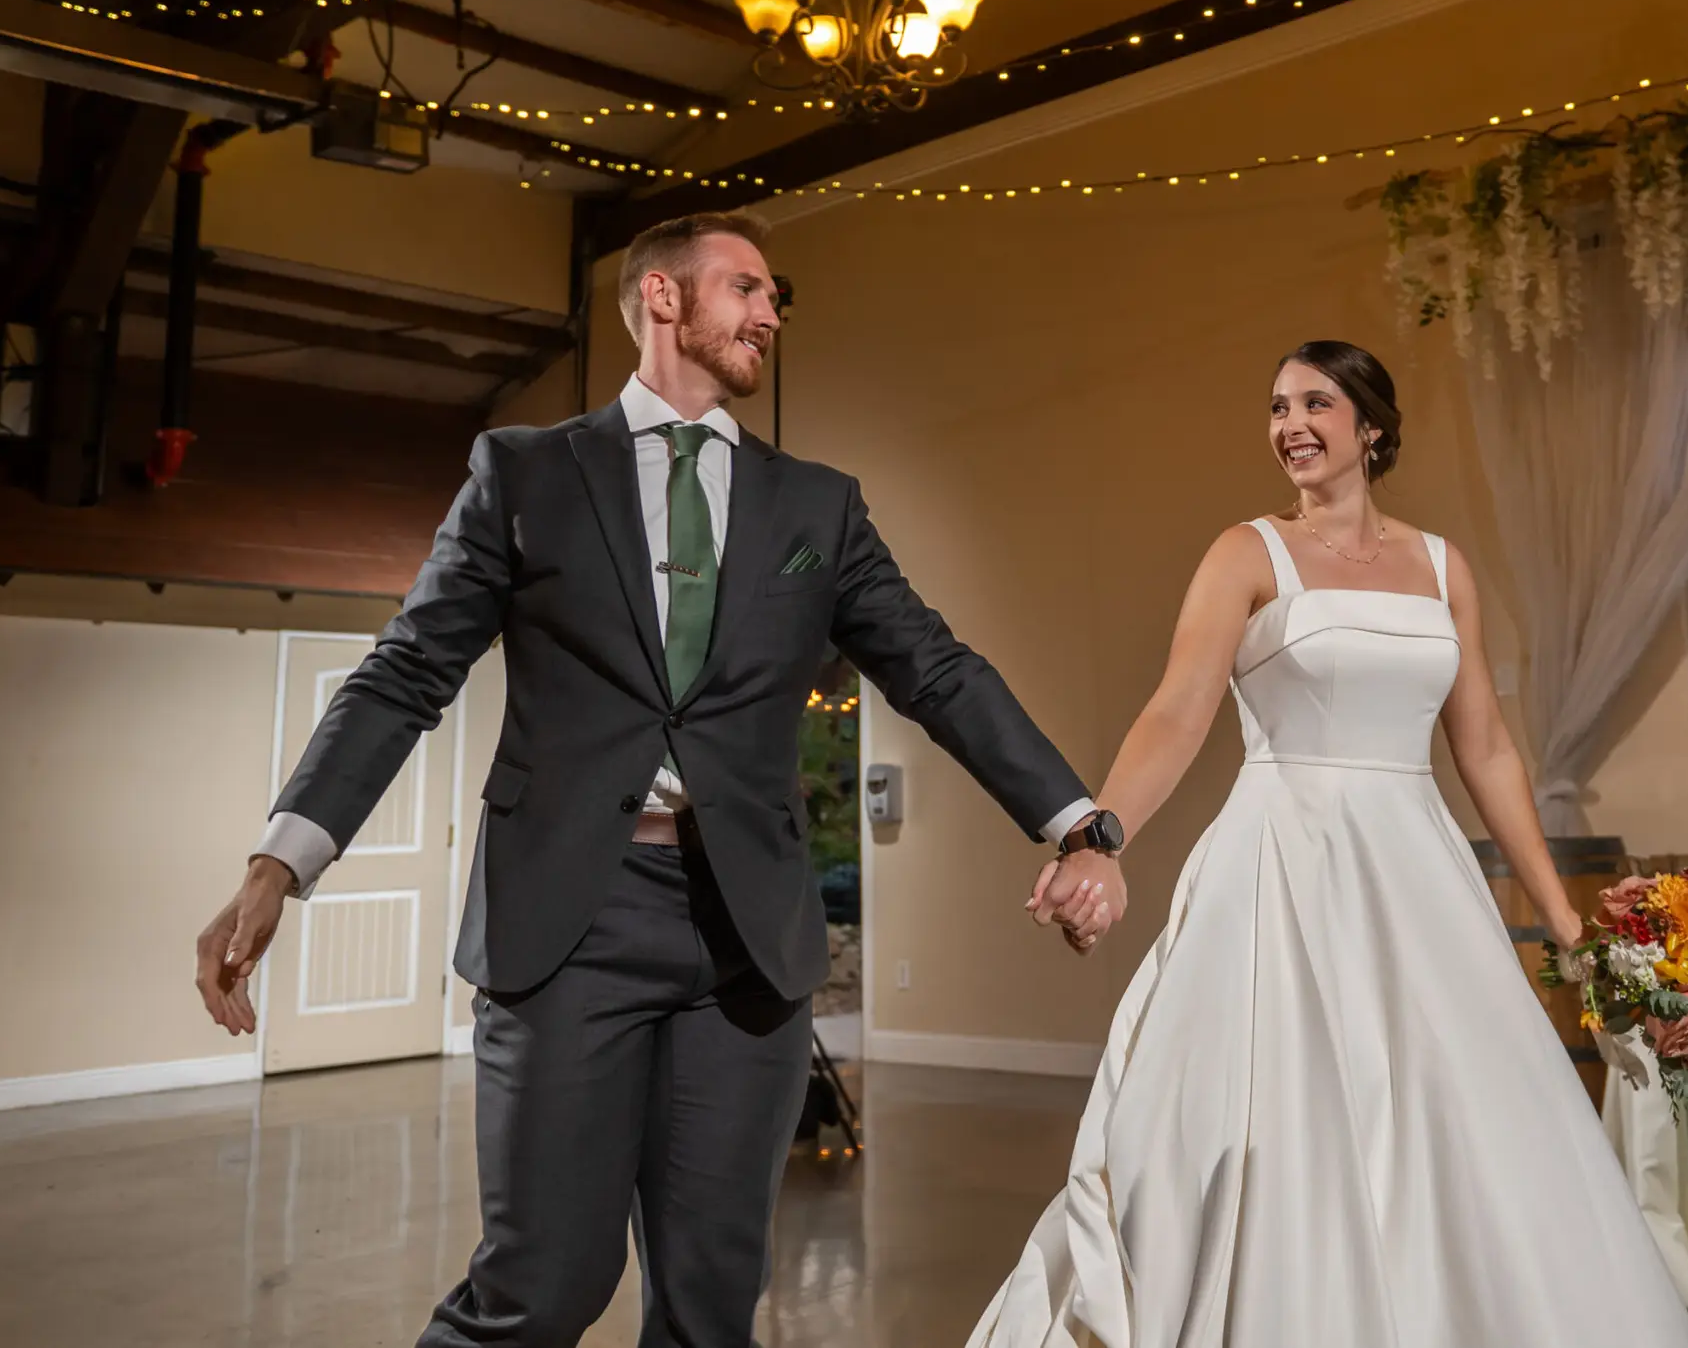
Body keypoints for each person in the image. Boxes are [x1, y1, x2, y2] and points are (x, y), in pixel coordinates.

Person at [193, 211, 1117, 1348]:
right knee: (538, 1289)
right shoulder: (525, 471)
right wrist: (283, 855)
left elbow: (934, 666)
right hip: (567, 924)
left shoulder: (816, 504)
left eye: (776, 295)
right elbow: (406, 672)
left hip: (748, 939)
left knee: (711, 1301)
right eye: (747, 287)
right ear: (664, 300)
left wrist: (1074, 819)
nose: (771, 312)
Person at [972, 341, 1688, 1347]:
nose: (1290, 424)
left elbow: (1484, 744)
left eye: (1317, 402)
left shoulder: (1444, 564)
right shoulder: (1243, 552)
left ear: (1372, 427)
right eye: (1276, 405)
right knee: (1273, 1120)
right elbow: (1177, 711)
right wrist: (1100, 838)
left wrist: (1564, 916)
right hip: (1282, 861)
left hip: (1417, 868)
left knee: (1465, 1122)